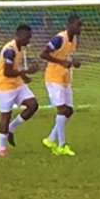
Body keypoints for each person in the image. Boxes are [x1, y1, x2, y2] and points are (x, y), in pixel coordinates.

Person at [0, 23, 39, 157]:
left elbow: (14, 68)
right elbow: (7, 72)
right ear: (19, 35)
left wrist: (23, 76)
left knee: (33, 105)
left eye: (30, 38)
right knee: (5, 115)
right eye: (27, 37)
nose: (28, 41)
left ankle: (11, 128)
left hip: (17, 84)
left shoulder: (20, 48)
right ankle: (1, 148)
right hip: (4, 85)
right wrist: (26, 71)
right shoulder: (10, 50)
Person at [40, 15, 83, 157]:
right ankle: (61, 145)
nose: (79, 28)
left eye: (80, 25)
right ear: (69, 25)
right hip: (53, 78)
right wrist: (60, 62)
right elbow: (44, 54)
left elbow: (67, 57)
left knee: (69, 110)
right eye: (77, 25)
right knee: (61, 109)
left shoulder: (74, 39)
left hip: (64, 78)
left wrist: (73, 62)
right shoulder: (59, 39)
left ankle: (50, 139)